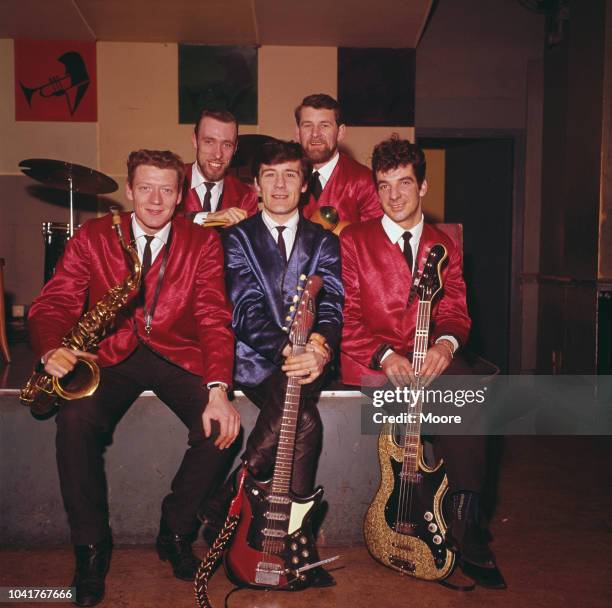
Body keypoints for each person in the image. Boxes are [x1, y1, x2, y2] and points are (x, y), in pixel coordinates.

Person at [28, 150, 240, 607]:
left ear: (181, 194)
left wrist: (219, 389)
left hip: (176, 353)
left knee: (220, 427)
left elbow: (213, 318)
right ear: (128, 191)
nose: (156, 199)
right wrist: (52, 347)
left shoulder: (202, 242)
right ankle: (90, 546)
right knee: (75, 421)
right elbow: (55, 302)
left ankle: (175, 530)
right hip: (108, 354)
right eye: (146, 187)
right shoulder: (94, 235)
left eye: (167, 188)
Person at [340, 136, 506, 589]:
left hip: (428, 356)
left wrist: (446, 345)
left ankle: (465, 525)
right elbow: (346, 317)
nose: (393, 196)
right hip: (375, 357)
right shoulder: (354, 240)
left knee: (470, 391)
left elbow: (456, 313)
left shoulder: (442, 242)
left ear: (424, 186)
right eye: (384, 185)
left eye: (404, 183)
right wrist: (384, 354)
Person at [201, 140, 343, 587]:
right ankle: (295, 538)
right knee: (305, 422)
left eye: (290, 175)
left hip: (310, 361)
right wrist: (289, 349)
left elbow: (335, 303)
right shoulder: (235, 239)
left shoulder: (323, 240)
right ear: (256, 185)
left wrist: (320, 346)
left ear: (305, 186)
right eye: (270, 175)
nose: (280, 184)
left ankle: (230, 497)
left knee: (302, 417)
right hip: (256, 361)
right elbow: (243, 310)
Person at [295, 93, 382, 224]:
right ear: (298, 133)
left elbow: (373, 238)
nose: (315, 134)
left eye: (324, 125)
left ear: (340, 132)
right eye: (307, 125)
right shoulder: (286, 179)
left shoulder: (364, 181)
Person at [181, 108, 259, 226]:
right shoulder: (173, 180)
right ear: (195, 140)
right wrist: (211, 218)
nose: (218, 154)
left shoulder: (246, 196)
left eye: (227, 145)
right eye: (209, 142)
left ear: (236, 147)